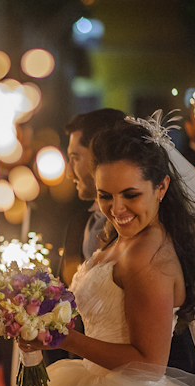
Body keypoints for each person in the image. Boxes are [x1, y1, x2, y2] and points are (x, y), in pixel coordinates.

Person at [19, 111, 195, 386]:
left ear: (161, 187)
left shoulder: (150, 256)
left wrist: (64, 338)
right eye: (105, 195)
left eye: (130, 195)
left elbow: (149, 363)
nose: (117, 209)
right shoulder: (124, 239)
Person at [60, 108, 126, 286]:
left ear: (102, 154)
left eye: (75, 158)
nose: (68, 173)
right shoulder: (77, 225)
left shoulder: (137, 229)